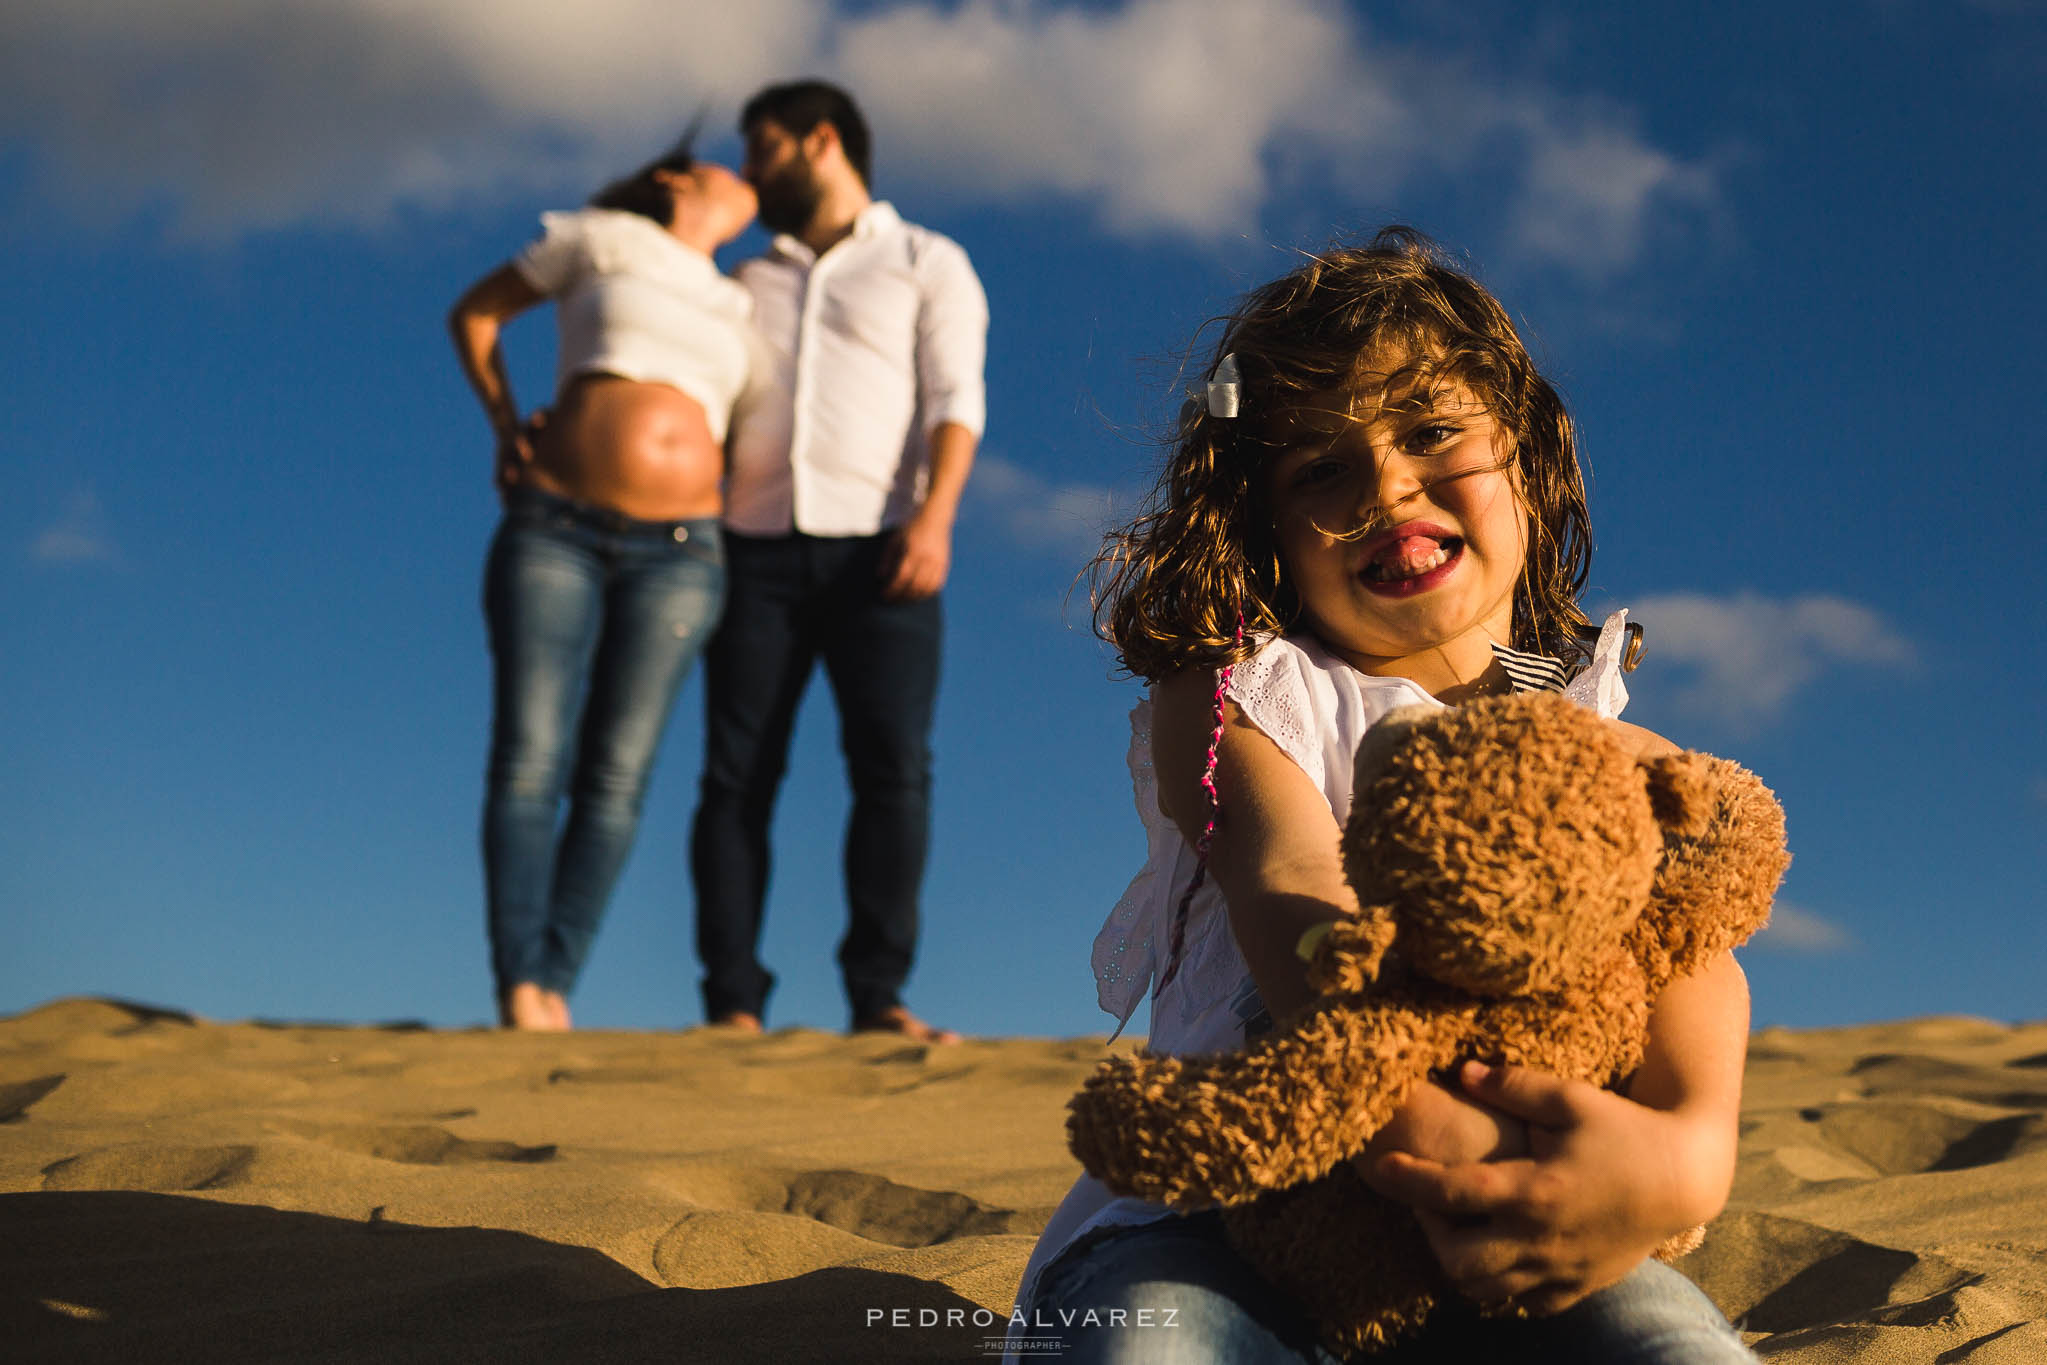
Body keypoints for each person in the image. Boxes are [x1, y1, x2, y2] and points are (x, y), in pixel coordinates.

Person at [1008, 230, 1758, 1362]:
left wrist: (1689, 1148)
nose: (1384, 487)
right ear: (1264, 525)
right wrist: (1432, 1136)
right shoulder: (1248, 694)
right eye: (1319, 468)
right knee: (1150, 1338)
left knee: (1667, 1345)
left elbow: (1689, 948)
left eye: (1430, 431)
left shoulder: (1599, 737)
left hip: (1530, 1203)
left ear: (1526, 453)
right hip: (1231, 1209)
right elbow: (1290, 885)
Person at [689, 81, 989, 1043]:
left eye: (764, 150)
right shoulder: (742, 280)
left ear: (822, 142)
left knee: (892, 771)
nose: (749, 173)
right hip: (752, 552)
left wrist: (934, 520)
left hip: (886, 549)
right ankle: (731, 999)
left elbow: (955, 401)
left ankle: (877, 996)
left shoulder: (925, 260)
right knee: (735, 776)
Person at [449, 132, 760, 1031]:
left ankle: (554, 979)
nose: (745, 177)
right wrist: (507, 427)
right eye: (727, 161)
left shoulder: (739, 305)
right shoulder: (600, 239)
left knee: (618, 773)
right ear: (675, 177)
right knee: (528, 754)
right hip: (556, 526)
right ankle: (518, 982)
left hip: (684, 552)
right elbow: (474, 315)